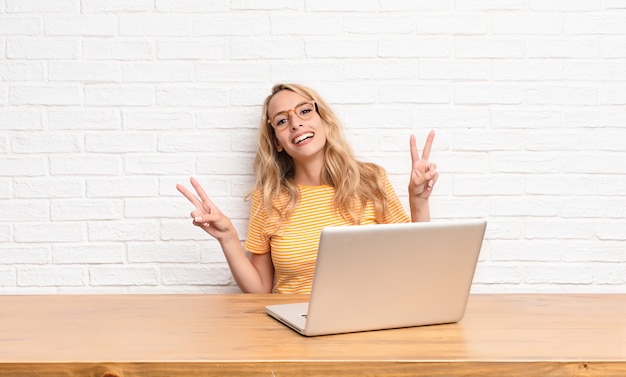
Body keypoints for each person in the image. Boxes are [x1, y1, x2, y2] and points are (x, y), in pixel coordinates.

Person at [177, 83, 438, 294]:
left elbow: (415, 263)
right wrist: (228, 238)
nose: (295, 123)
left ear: (322, 119)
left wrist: (418, 201)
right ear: (277, 142)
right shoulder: (267, 198)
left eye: (304, 111)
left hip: (367, 323)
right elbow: (260, 291)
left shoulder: (371, 179)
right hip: (294, 331)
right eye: (281, 121)